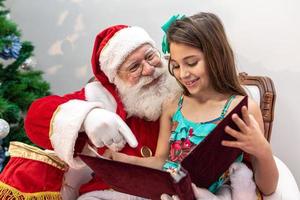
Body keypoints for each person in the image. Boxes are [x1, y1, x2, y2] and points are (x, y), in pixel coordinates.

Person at [105, 12, 279, 200]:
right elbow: (161, 161)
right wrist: (124, 160)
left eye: (191, 63)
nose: (183, 74)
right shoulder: (173, 106)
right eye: (176, 66)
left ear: (217, 56)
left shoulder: (242, 109)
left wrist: (263, 150)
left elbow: (267, 188)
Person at [0, 25, 180, 199]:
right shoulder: (102, 95)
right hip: (112, 192)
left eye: (150, 56)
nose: (149, 70)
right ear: (115, 78)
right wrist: (87, 116)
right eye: (134, 67)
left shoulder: (181, 76)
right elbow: (34, 118)